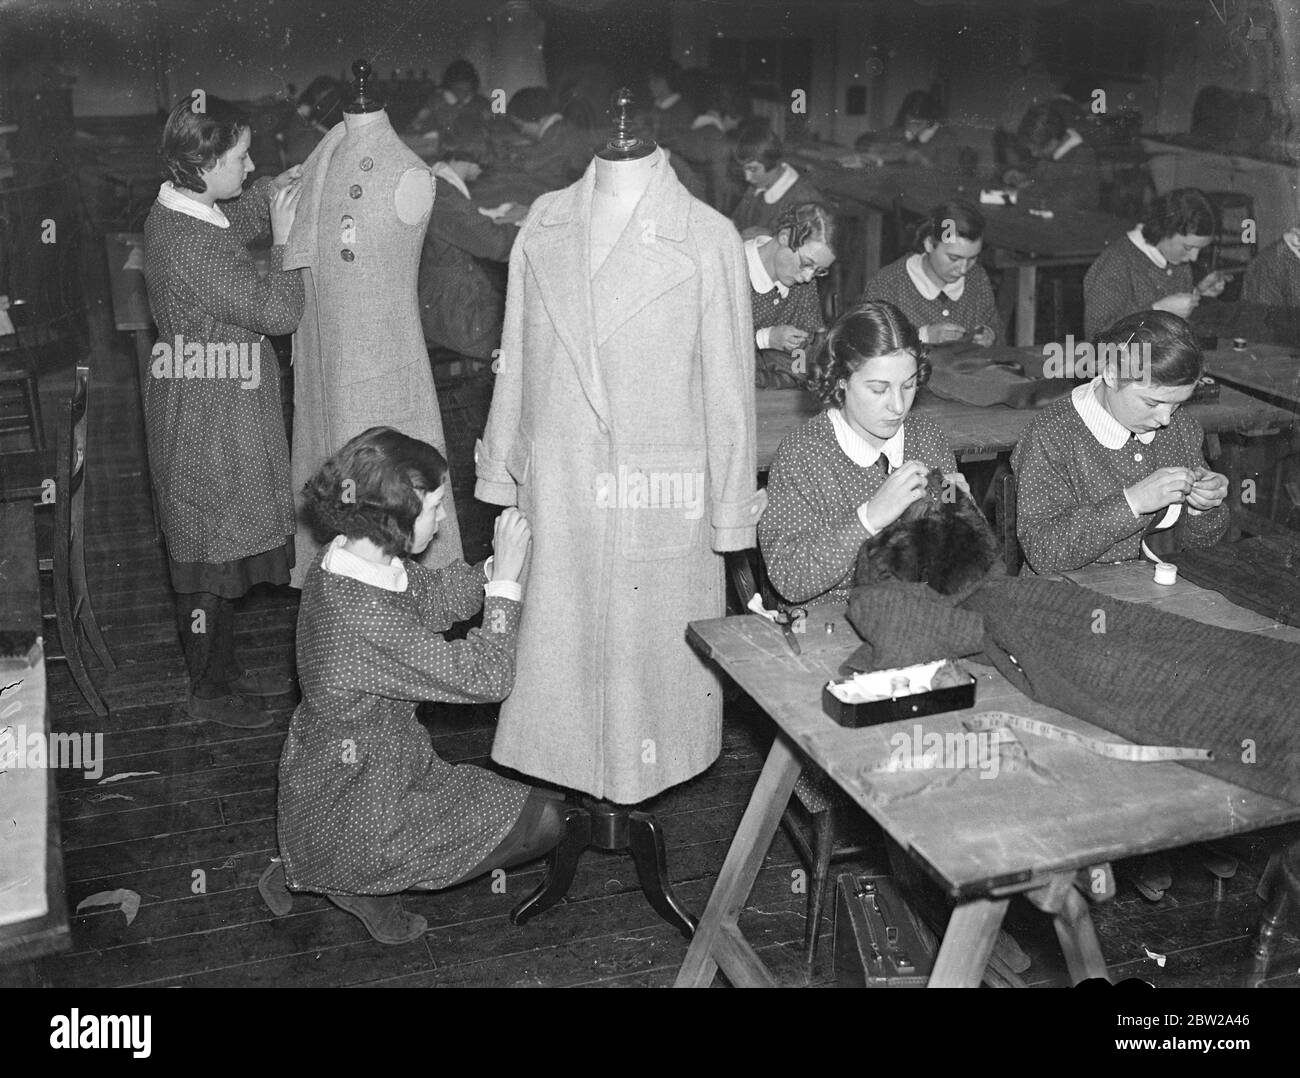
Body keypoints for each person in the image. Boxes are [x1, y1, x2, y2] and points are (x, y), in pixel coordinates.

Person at [265, 427, 566, 944]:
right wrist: (509, 586)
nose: (444, 518)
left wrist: (494, 568)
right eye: (435, 508)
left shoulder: (350, 559)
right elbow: (488, 677)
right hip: (358, 797)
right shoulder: (362, 616)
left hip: (350, 769)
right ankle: (348, 875)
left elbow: (434, 596)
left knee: (528, 802)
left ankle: (313, 861)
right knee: (546, 819)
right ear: (394, 521)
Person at [143, 95, 304, 730]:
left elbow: (238, 219)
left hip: (205, 397)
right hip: (208, 414)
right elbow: (279, 313)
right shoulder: (192, 245)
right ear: (204, 164)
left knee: (211, 539)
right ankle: (209, 691)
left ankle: (222, 671)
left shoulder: (182, 209)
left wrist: (285, 183)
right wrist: (288, 241)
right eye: (241, 156)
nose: (252, 163)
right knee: (208, 546)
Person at [759, 300, 967, 608]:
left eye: (908, 386)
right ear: (841, 381)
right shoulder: (802, 454)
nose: (898, 406)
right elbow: (791, 580)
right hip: (832, 624)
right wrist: (869, 518)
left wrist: (962, 512)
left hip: (917, 614)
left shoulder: (927, 438)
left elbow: (958, 560)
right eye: (879, 389)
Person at [1011, 310, 1229, 575]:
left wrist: (1203, 508)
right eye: (1152, 402)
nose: (1165, 419)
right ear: (1111, 374)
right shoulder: (1052, 434)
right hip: (1066, 595)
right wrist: (1131, 504)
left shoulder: (1181, 428)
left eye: (1177, 404)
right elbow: (1043, 553)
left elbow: (1198, 547)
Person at [1083, 188, 1229, 338]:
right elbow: (1097, 335)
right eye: (1188, 247)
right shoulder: (1117, 263)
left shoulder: (1177, 261)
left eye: (1200, 249)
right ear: (1165, 230)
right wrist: (1157, 310)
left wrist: (1198, 294)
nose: (1194, 257)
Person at [418, 158, 521, 360]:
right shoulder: (443, 194)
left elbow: (472, 228)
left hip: (444, 300)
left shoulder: (438, 183)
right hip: (454, 312)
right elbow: (494, 243)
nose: (482, 168)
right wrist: (531, 227)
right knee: (528, 335)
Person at [863, 200, 1002, 346]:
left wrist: (990, 335)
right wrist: (922, 336)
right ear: (929, 244)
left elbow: (995, 327)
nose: (963, 269)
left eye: (972, 258)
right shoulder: (888, 285)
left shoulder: (978, 279)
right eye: (954, 258)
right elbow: (869, 344)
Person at [747, 202, 836, 387]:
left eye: (819, 271)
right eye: (806, 263)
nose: (807, 276)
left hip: (774, 394)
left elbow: (801, 363)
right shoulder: (730, 271)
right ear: (784, 237)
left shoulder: (804, 285)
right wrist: (765, 339)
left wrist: (806, 357)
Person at [730, 119, 824, 239]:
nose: (747, 177)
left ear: (774, 163)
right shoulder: (756, 187)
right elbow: (736, 222)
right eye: (744, 169)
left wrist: (773, 236)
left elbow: (816, 247)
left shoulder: (804, 198)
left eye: (753, 169)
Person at [1002, 101, 1101, 211]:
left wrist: (1026, 193)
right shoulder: (1053, 150)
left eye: (1036, 149)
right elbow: (1042, 177)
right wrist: (1024, 177)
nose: (1033, 154)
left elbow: (1070, 201)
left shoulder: (1081, 156)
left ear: (1053, 142)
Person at [501, 86, 594, 192]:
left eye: (520, 127)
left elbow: (538, 164)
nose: (522, 132)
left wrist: (513, 159)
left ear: (536, 118)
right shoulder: (559, 127)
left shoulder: (558, 132)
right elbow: (543, 151)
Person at [407, 59, 497, 162]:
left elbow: (494, 131)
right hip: (439, 157)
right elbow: (415, 127)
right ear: (449, 86)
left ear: (472, 86)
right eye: (458, 88)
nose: (462, 94)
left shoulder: (482, 103)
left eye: (466, 90)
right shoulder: (435, 102)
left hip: (474, 160)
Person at [854, 90, 963, 172]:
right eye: (908, 121)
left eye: (918, 123)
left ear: (930, 121)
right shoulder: (899, 130)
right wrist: (868, 145)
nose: (911, 127)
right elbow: (866, 140)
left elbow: (948, 175)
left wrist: (922, 161)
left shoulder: (946, 138)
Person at [646, 64, 695, 149]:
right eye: (650, 80)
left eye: (656, 81)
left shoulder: (682, 109)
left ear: (669, 82)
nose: (650, 85)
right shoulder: (653, 107)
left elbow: (680, 142)